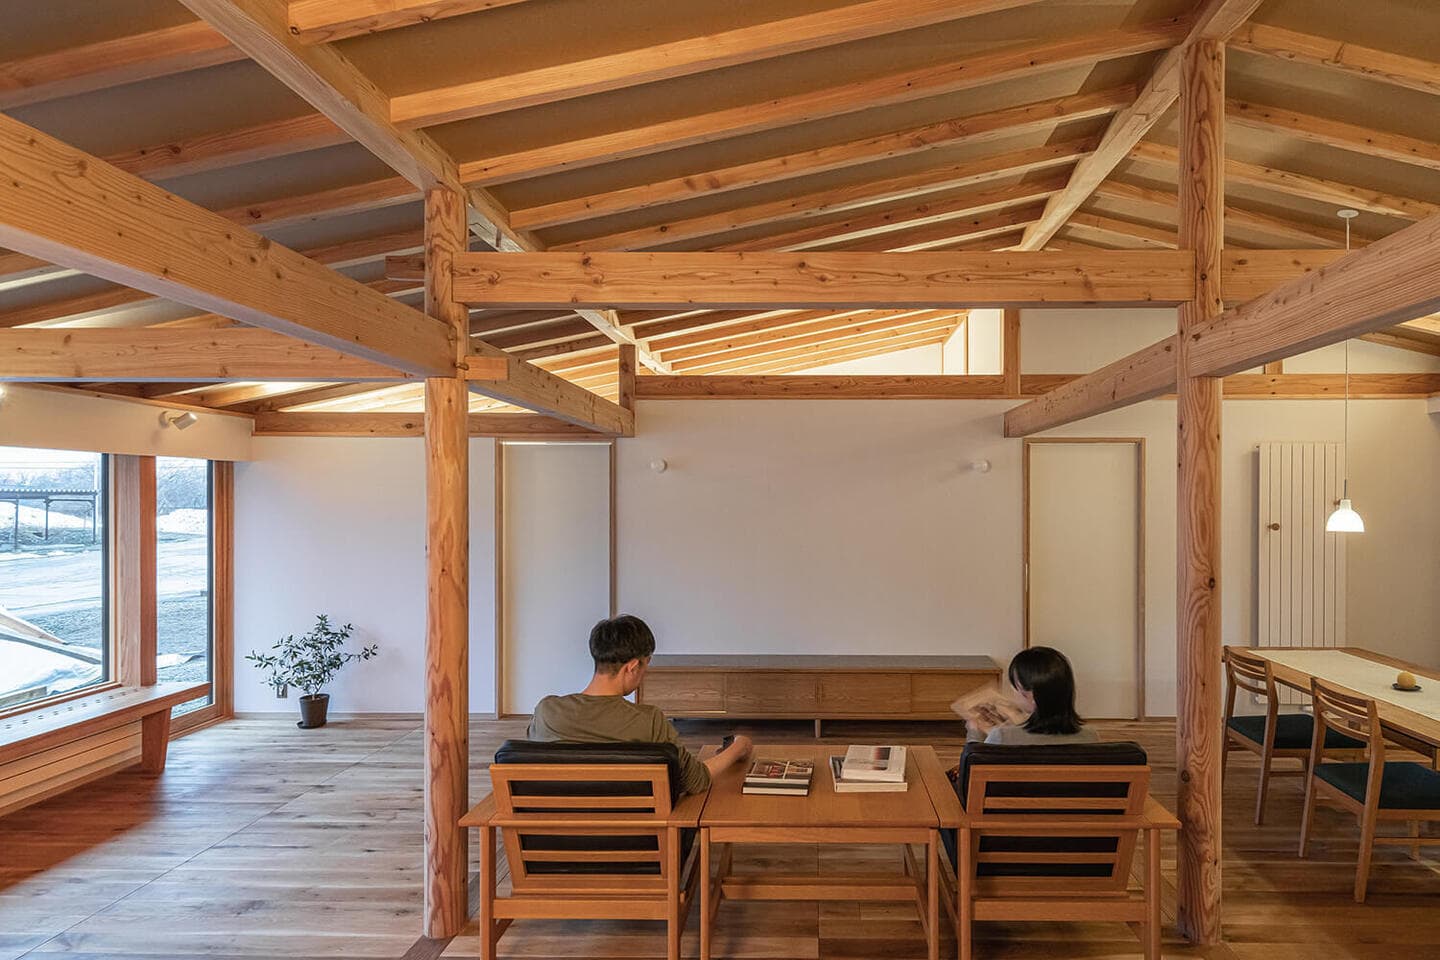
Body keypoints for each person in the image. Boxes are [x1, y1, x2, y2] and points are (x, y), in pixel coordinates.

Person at [528, 614, 753, 795]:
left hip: (554, 833)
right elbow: (695, 780)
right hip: (635, 835)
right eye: (646, 665)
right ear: (632, 667)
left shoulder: (547, 712)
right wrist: (739, 746)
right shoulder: (649, 721)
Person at [966, 646, 1099, 745]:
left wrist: (975, 734)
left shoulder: (1002, 737)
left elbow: (974, 767)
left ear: (1032, 696)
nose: (1012, 691)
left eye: (1015, 687)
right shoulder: (1090, 737)